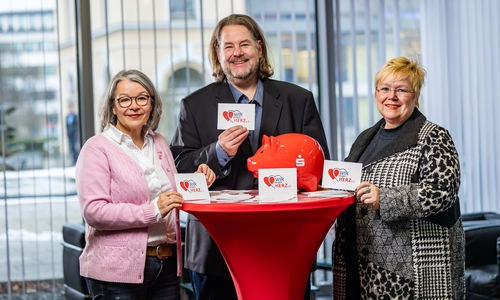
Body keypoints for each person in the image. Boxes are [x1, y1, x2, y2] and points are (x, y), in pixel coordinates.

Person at [170, 14, 330, 300]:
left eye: (244, 44)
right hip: (215, 252)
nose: (237, 53)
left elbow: (318, 167)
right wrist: (218, 152)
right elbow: (178, 167)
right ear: (218, 55)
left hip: (284, 245)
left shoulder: (298, 99)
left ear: (259, 48)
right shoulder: (194, 105)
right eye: (228, 46)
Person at [75, 69, 216, 300]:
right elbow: (94, 212)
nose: (134, 106)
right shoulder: (96, 148)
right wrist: (153, 210)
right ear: (113, 106)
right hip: (116, 273)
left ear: (151, 103)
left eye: (142, 98)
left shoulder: (158, 142)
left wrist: (197, 181)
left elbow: (168, 192)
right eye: (124, 99)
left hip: (166, 265)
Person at [332, 57, 465, 299]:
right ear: (376, 93)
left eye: (401, 90)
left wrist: (385, 197)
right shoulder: (365, 137)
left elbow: (442, 193)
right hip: (360, 263)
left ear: (415, 96)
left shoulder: (434, 137)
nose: (391, 96)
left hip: (411, 270)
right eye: (384, 89)